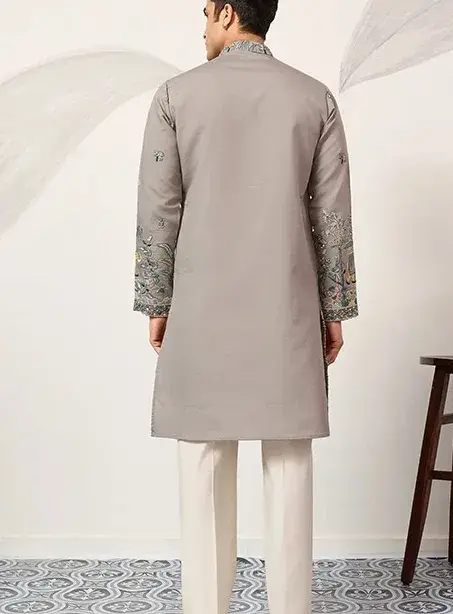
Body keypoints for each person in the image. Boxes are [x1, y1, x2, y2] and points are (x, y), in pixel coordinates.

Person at [133, 1, 358, 612]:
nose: (203, 24)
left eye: (207, 11)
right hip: (287, 309)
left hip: (200, 308)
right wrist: (334, 310)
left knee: (203, 467)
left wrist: (157, 301)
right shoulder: (315, 98)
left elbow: (159, 208)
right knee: (289, 468)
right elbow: (332, 217)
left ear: (229, 13)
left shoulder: (176, 96)